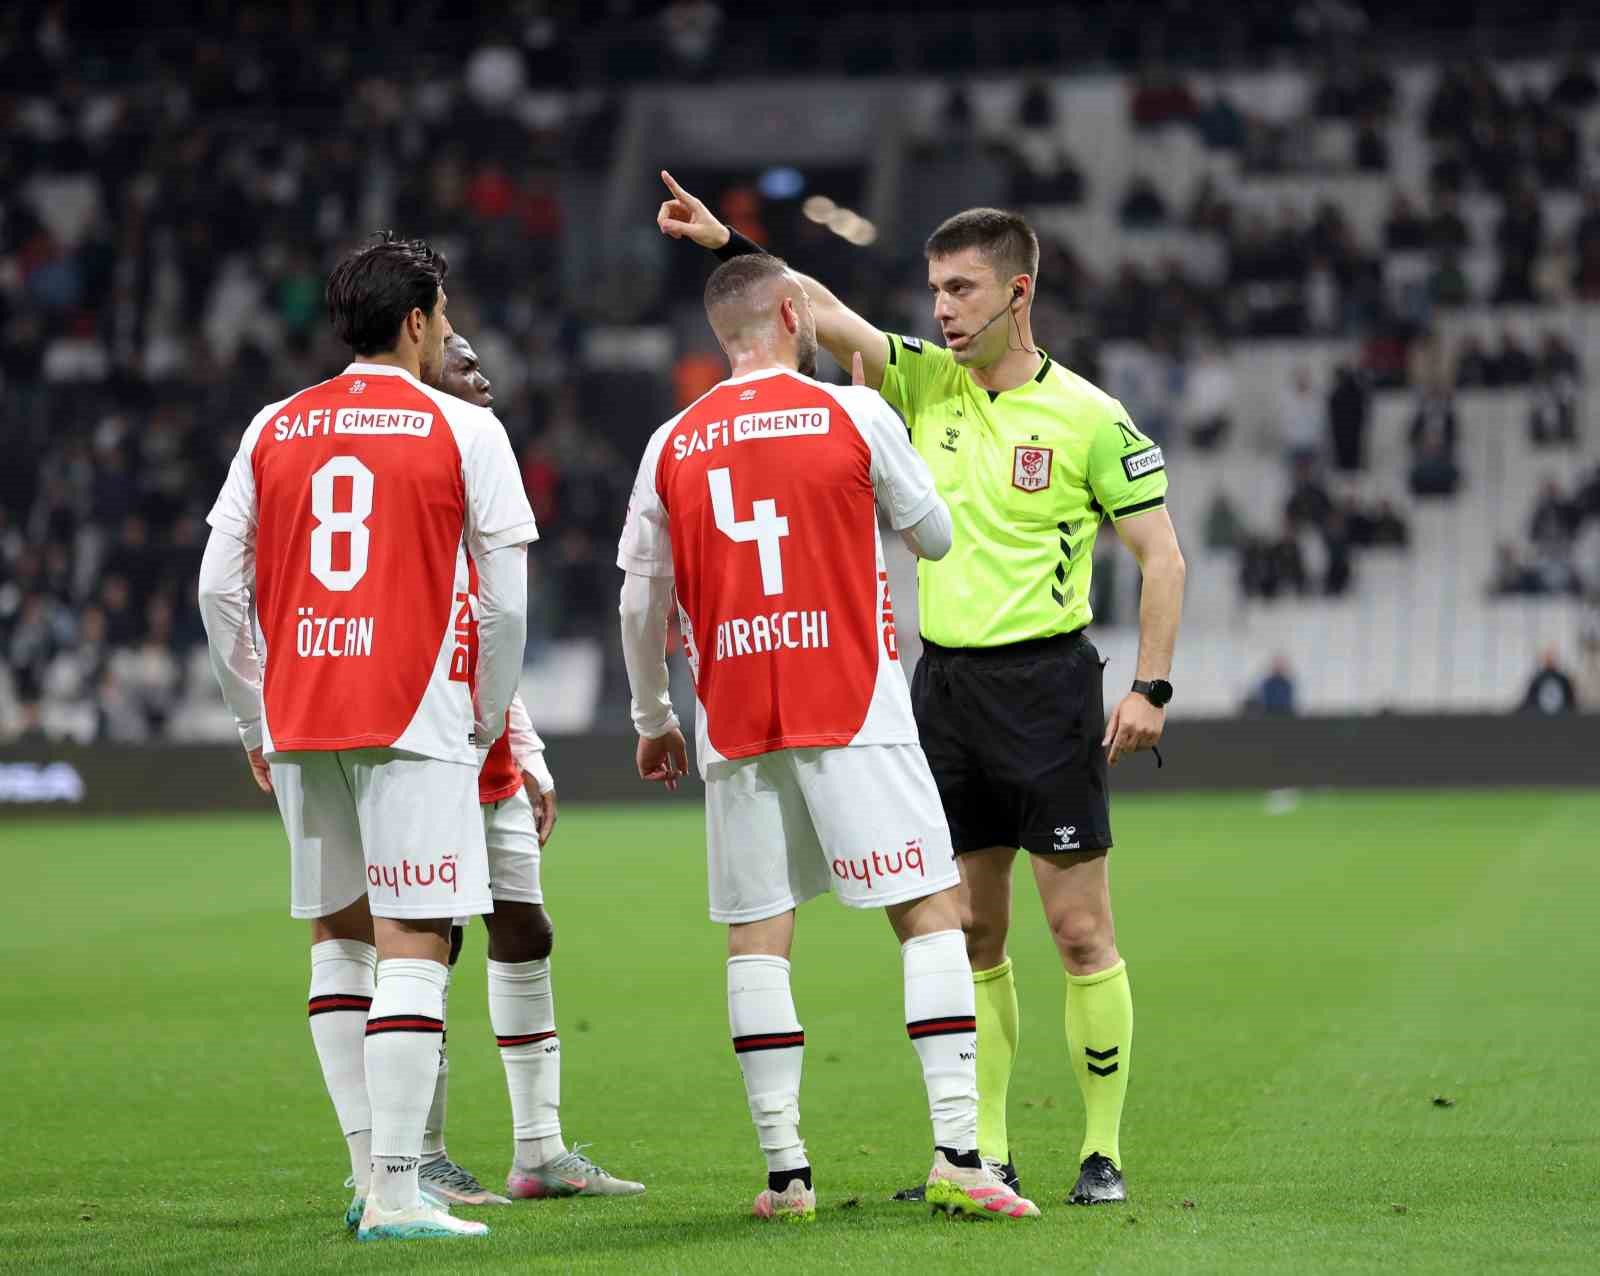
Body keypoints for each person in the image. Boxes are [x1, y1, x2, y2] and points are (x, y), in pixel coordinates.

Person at [657, 172, 1187, 1206]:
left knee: (1078, 930)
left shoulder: (1088, 415)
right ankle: (977, 1152)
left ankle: (1101, 1148)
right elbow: (802, 306)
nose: (941, 310)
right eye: (935, 290)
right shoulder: (917, 381)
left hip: (1047, 684)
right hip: (940, 690)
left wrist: (1151, 685)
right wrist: (729, 242)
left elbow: (1160, 557)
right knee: (970, 930)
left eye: (962, 290)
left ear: (1017, 292)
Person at [616, 252, 1038, 1222]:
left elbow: (641, 597)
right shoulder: (852, 413)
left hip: (735, 717)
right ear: (794, 313)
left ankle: (785, 1175)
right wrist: (883, 446)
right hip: (852, 701)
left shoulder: (673, 441)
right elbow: (933, 537)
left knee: (759, 933)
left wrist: (654, 718)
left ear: (725, 334)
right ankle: (960, 1156)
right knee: (930, 912)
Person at [198, 233, 538, 1242]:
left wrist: (253, 718)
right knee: (413, 939)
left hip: (303, 711)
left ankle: (365, 1173)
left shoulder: (272, 426)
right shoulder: (462, 430)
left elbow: (220, 590)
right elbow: (507, 605)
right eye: (440, 316)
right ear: (418, 321)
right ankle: (397, 1188)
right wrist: (484, 712)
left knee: (338, 940)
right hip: (415, 712)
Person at [418, 333, 644, 1204]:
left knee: (525, 927)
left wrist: (530, 750)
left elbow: (494, 631)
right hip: (425, 741)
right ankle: (421, 1153)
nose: (483, 373)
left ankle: (538, 1153)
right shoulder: (414, 467)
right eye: (461, 359)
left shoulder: (483, 468)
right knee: (426, 943)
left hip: (490, 746)